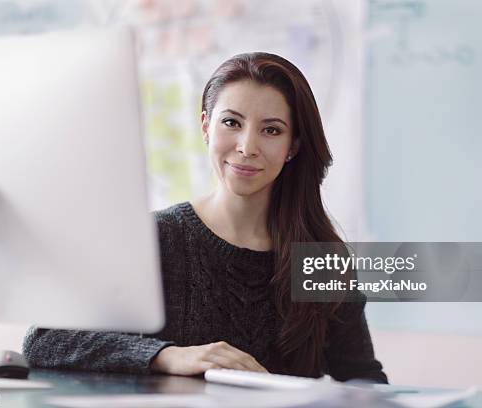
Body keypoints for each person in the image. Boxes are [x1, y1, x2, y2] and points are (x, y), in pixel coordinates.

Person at [23, 52, 388, 383]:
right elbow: (44, 339)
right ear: (205, 127)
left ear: (292, 147)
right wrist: (165, 356)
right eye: (231, 122)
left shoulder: (323, 259)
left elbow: (362, 380)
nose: (247, 147)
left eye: (271, 130)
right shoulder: (155, 238)